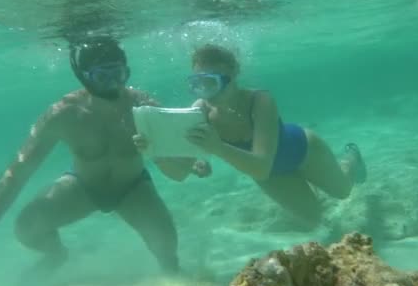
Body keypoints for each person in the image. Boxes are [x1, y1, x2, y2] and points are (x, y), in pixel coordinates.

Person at [0, 36, 209, 275]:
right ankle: (56, 255)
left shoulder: (142, 105)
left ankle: (172, 279)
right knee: (27, 227)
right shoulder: (64, 115)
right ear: (83, 76)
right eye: (101, 77)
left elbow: (173, 144)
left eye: (119, 73)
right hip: (82, 187)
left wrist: (194, 160)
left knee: (167, 248)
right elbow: (17, 172)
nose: (114, 84)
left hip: (134, 188)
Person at [136, 44, 366, 230]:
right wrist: (155, 152)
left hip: (303, 150)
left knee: (343, 191)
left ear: (234, 73)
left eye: (213, 82)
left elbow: (260, 167)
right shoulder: (200, 111)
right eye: (199, 84)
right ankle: (308, 185)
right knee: (314, 219)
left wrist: (216, 147)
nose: (207, 92)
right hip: (272, 174)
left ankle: (350, 160)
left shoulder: (259, 100)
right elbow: (179, 174)